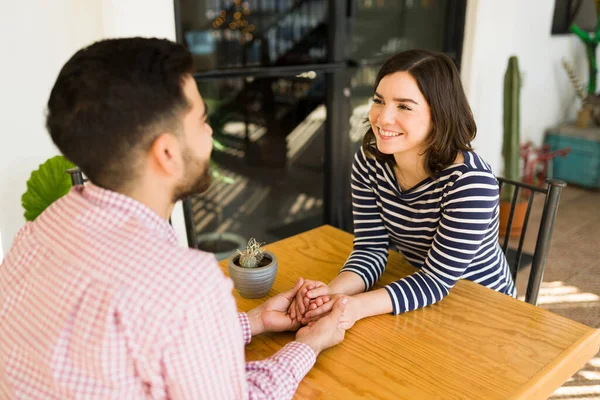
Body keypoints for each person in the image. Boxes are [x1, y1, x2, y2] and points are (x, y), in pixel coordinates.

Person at [0, 37, 350, 399]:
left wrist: (255, 321)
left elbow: (127, 354)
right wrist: (309, 344)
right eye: (201, 121)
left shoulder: (39, 232)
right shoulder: (183, 285)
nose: (211, 131)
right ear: (166, 152)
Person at [289, 49, 517, 328]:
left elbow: (435, 281)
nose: (383, 118)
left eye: (404, 106)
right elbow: (370, 249)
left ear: (439, 114)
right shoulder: (369, 162)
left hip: (487, 310)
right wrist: (330, 294)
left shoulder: (470, 182)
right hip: (420, 299)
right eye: (378, 101)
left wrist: (353, 307)